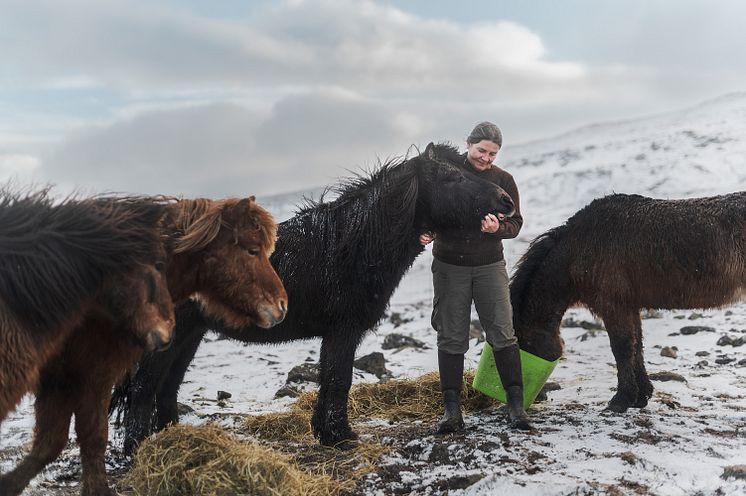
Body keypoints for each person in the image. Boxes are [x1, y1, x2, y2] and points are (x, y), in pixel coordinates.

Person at [420, 121, 531, 433]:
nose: (486, 158)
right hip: (449, 267)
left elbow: (516, 222)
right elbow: (428, 210)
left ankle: (516, 406)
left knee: (502, 333)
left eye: (493, 154)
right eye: (482, 150)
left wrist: (499, 229)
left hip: (489, 267)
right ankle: (452, 412)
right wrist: (425, 231)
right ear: (468, 144)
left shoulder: (503, 179)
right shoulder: (447, 172)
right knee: (451, 336)